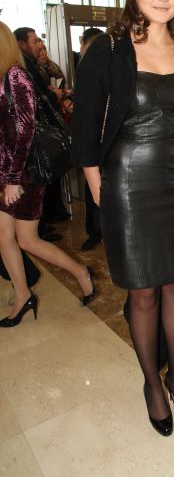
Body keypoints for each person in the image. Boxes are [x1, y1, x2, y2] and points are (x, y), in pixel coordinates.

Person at [71, 0, 174, 436]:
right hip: (129, 185)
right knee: (142, 292)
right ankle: (152, 385)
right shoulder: (109, 50)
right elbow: (84, 128)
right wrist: (98, 187)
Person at [0, 22, 96, 328]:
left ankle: (80, 272)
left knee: (27, 240)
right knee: (5, 238)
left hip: (24, 173)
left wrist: (13, 178)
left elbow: (26, 129)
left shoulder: (15, 76)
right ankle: (23, 295)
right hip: (6, 173)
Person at [14, 27, 69, 234]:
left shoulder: (31, 65)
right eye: (34, 41)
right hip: (37, 135)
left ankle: (43, 222)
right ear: (20, 44)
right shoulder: (20, 70)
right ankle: (39, 226)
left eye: (39, 41)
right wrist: (54, 96)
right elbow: (37, 101)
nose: (39, 45)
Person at [78, 28, 103, 251]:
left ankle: (100, 230)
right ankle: (94, 231)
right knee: (93, 188)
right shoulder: (86, 65)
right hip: (94, 141)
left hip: (108, 139)